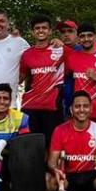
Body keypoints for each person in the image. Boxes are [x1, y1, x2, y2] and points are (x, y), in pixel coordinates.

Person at [19, 14, 67, 146]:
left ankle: (51, 167)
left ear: (50, 31)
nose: (41, 31)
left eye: (44, 28)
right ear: (33, 32)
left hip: (52, 106)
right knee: (31, 147)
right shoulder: (27, 54)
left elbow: (84, 53)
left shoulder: (61, 50)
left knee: (52, 146)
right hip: (30, 106)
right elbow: (19, 78)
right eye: (37, 28)